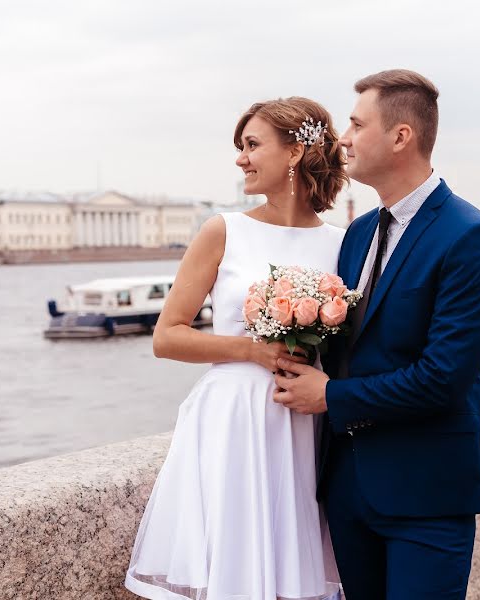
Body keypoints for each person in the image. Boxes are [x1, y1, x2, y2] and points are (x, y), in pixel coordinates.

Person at [273, 69, 480, 599]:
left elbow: (442, 378)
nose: (343, 138)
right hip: (349, 488)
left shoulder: (471, 238)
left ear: (401, 137)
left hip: (427, 494)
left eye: (357, 124)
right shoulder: (357, 233)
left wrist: (329, 395)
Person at [125, 97, 347, 600]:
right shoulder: (223, 230)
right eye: (240, 146)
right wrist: (251, 351)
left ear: (294, 151)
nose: (240, 158)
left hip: (306, 420)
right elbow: (167, 336)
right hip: (234, 420)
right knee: (234, 564)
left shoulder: (344, 242)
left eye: (252, 145)